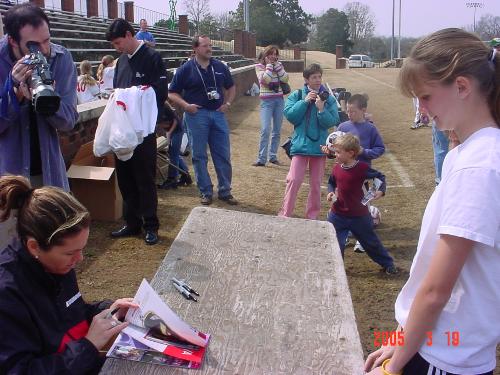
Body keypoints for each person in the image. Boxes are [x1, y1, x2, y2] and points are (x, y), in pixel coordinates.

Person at [365, 28, 500, 375]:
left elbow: (437, 290)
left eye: (425, 97)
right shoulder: (464, 153)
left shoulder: (479, 167)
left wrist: (395, 366)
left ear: (462, 86)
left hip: (445, 356)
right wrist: (398, 339)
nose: (422, 111)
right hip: (431, 341)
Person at [0, 175, 138, 373]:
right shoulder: (8, 294)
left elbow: (72, 313)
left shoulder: (57, 265)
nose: (80, 259)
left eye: (82, 248)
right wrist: (89, 346)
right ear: (33, 247)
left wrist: (110, 309)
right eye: (70, 252)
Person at [0, 3, 78, 190]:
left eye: (47, 40)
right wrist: (15, 95)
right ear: (12, 40)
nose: (43, 50)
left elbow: (68, 122)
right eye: (33, 45)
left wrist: (48, 98)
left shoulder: (60, 58)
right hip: (7, 178)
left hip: (49, 174)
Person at [106, 18, 168, 245]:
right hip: (123, 130)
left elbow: (160, 93)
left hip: (142, 131)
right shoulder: (121, 62)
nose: (117, 47)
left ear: (130, 34)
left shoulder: (152, 58)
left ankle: (151, 225)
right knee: (125, 178)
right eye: (114, 44)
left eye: (118, 42)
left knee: (144, 178)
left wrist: (135, 96)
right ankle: (132, 223)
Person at [168, 35, 237, 206]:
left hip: (218, 114)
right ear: (196, 49)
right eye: (205, 46)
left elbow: (231, 86)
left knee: (223, 154)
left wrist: (227, 103)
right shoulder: (186, 69)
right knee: (199, 155)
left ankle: (225, 191)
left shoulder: (220, 66)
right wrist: (185, 105)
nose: (209, 48)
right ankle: (205, 191)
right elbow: (172, 92)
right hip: (196, 115)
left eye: (210, 45)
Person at [325, 133, 398, 275]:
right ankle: (334, 269)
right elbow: (331, 182)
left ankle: (387, 264)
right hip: (337, 214)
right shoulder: (336, 168)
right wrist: (330, 192)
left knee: (371, 243)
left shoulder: (362, 168)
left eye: (339, 152)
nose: (336, 155)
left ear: (351, 153)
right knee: (334, 242)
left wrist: (381, 191)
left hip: (359, 216)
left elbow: (380, 177)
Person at [278, 63, 339, 219]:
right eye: (314, 77)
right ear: (306, 79)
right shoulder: (297, 95)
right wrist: (304, 102)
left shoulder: (328, 99)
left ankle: (312, 216)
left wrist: (321, 109)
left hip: (319, 148)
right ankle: (285, 214)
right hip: (300, 146)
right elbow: (291, 116)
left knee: (316, 185)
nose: (318, 80)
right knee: (293, 180)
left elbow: (332, 121)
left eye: (319, 77)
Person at [336, 93, 385, 253]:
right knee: (344, 203)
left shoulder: (370, 128)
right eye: (348, 111)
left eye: (353, 111)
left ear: (363, 110)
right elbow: (336, 146)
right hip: (344, 175)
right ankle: (349, 230)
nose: (349, 114)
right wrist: (330, 150)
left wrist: (365, 151)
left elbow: (380, 149)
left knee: (363, 205)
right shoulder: (343, 127)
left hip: (361, 176)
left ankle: (362, 239)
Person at [253, 45, 289, 166]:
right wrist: (269, 66)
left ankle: (272, 156)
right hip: (266, 102)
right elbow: (265, 80)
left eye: (275, 54)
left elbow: (285, 78)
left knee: (277, 131)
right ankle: (261, 158)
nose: (273, 56)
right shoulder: (259, 67)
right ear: (265, 55)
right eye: (271, 53)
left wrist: (277, 67)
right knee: (265, 129)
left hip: (279, 100)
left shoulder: (279, 66)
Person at [157, 103, 193, 189]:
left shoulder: (164, 106)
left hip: (177, 131)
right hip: (169, 130)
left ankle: (172, 179)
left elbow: (175, 120)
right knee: (174, 153)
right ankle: (186, 176)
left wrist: (169, 133)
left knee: (174, 155)